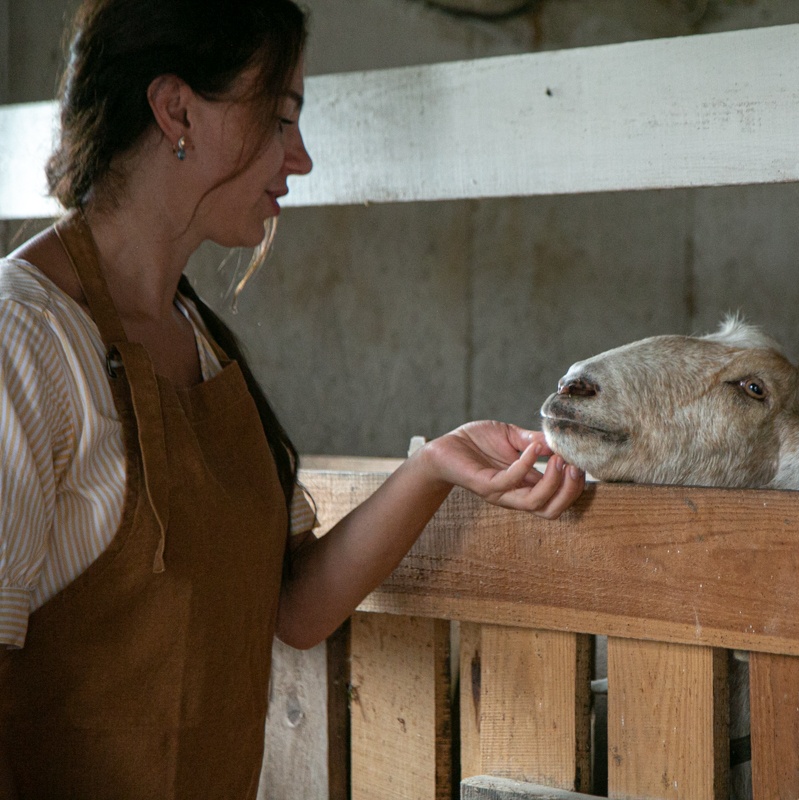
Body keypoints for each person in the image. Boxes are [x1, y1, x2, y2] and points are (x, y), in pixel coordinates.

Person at [0, 1, 585, 796]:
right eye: (279, 118)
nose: (300, 158)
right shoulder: (25, 338)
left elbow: (294, 608)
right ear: (176, 110)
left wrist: (435, 468)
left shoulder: (195, 338)